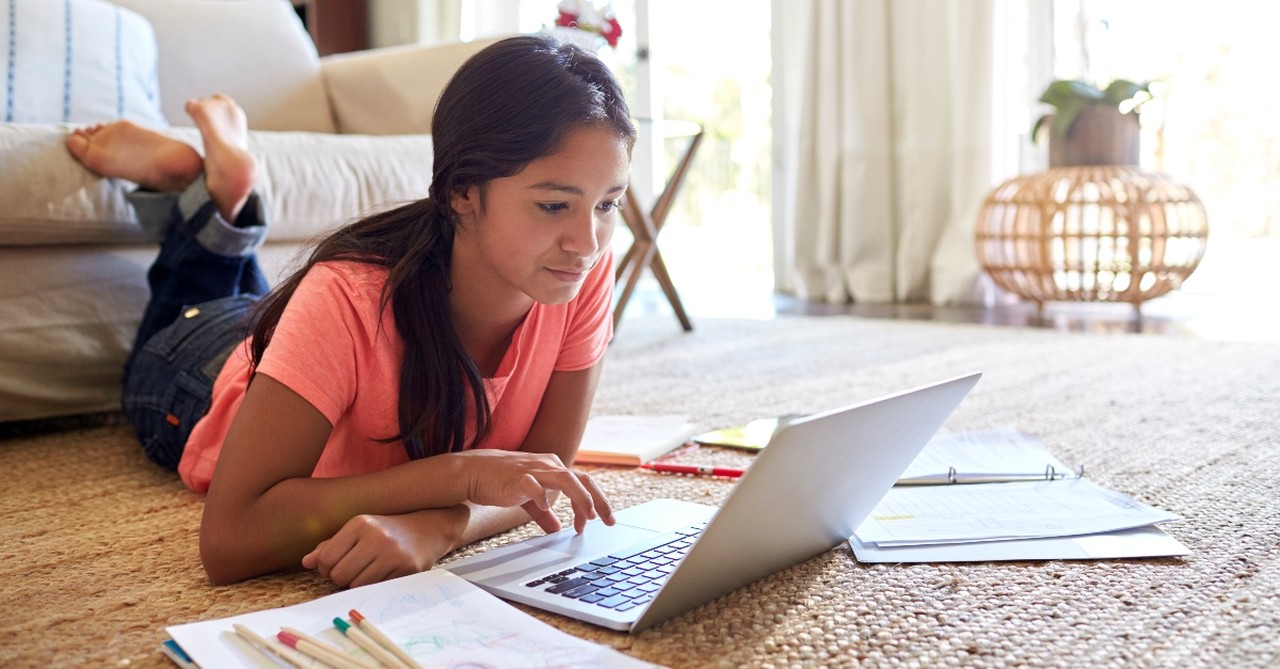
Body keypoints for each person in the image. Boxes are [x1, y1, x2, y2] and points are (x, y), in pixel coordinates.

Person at [65, 35, 634, 587]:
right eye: (554, 204)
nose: (586, 241)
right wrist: (459, 474)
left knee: (254, 299)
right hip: (197, 372)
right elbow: (229, 538)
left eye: (608, 203)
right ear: (463, 191)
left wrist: (441, 524)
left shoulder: (578, 270)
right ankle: (205, 192)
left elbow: (546, 474)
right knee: (196, 307)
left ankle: (215, 193)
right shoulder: (345, 293)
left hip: (293, 334)